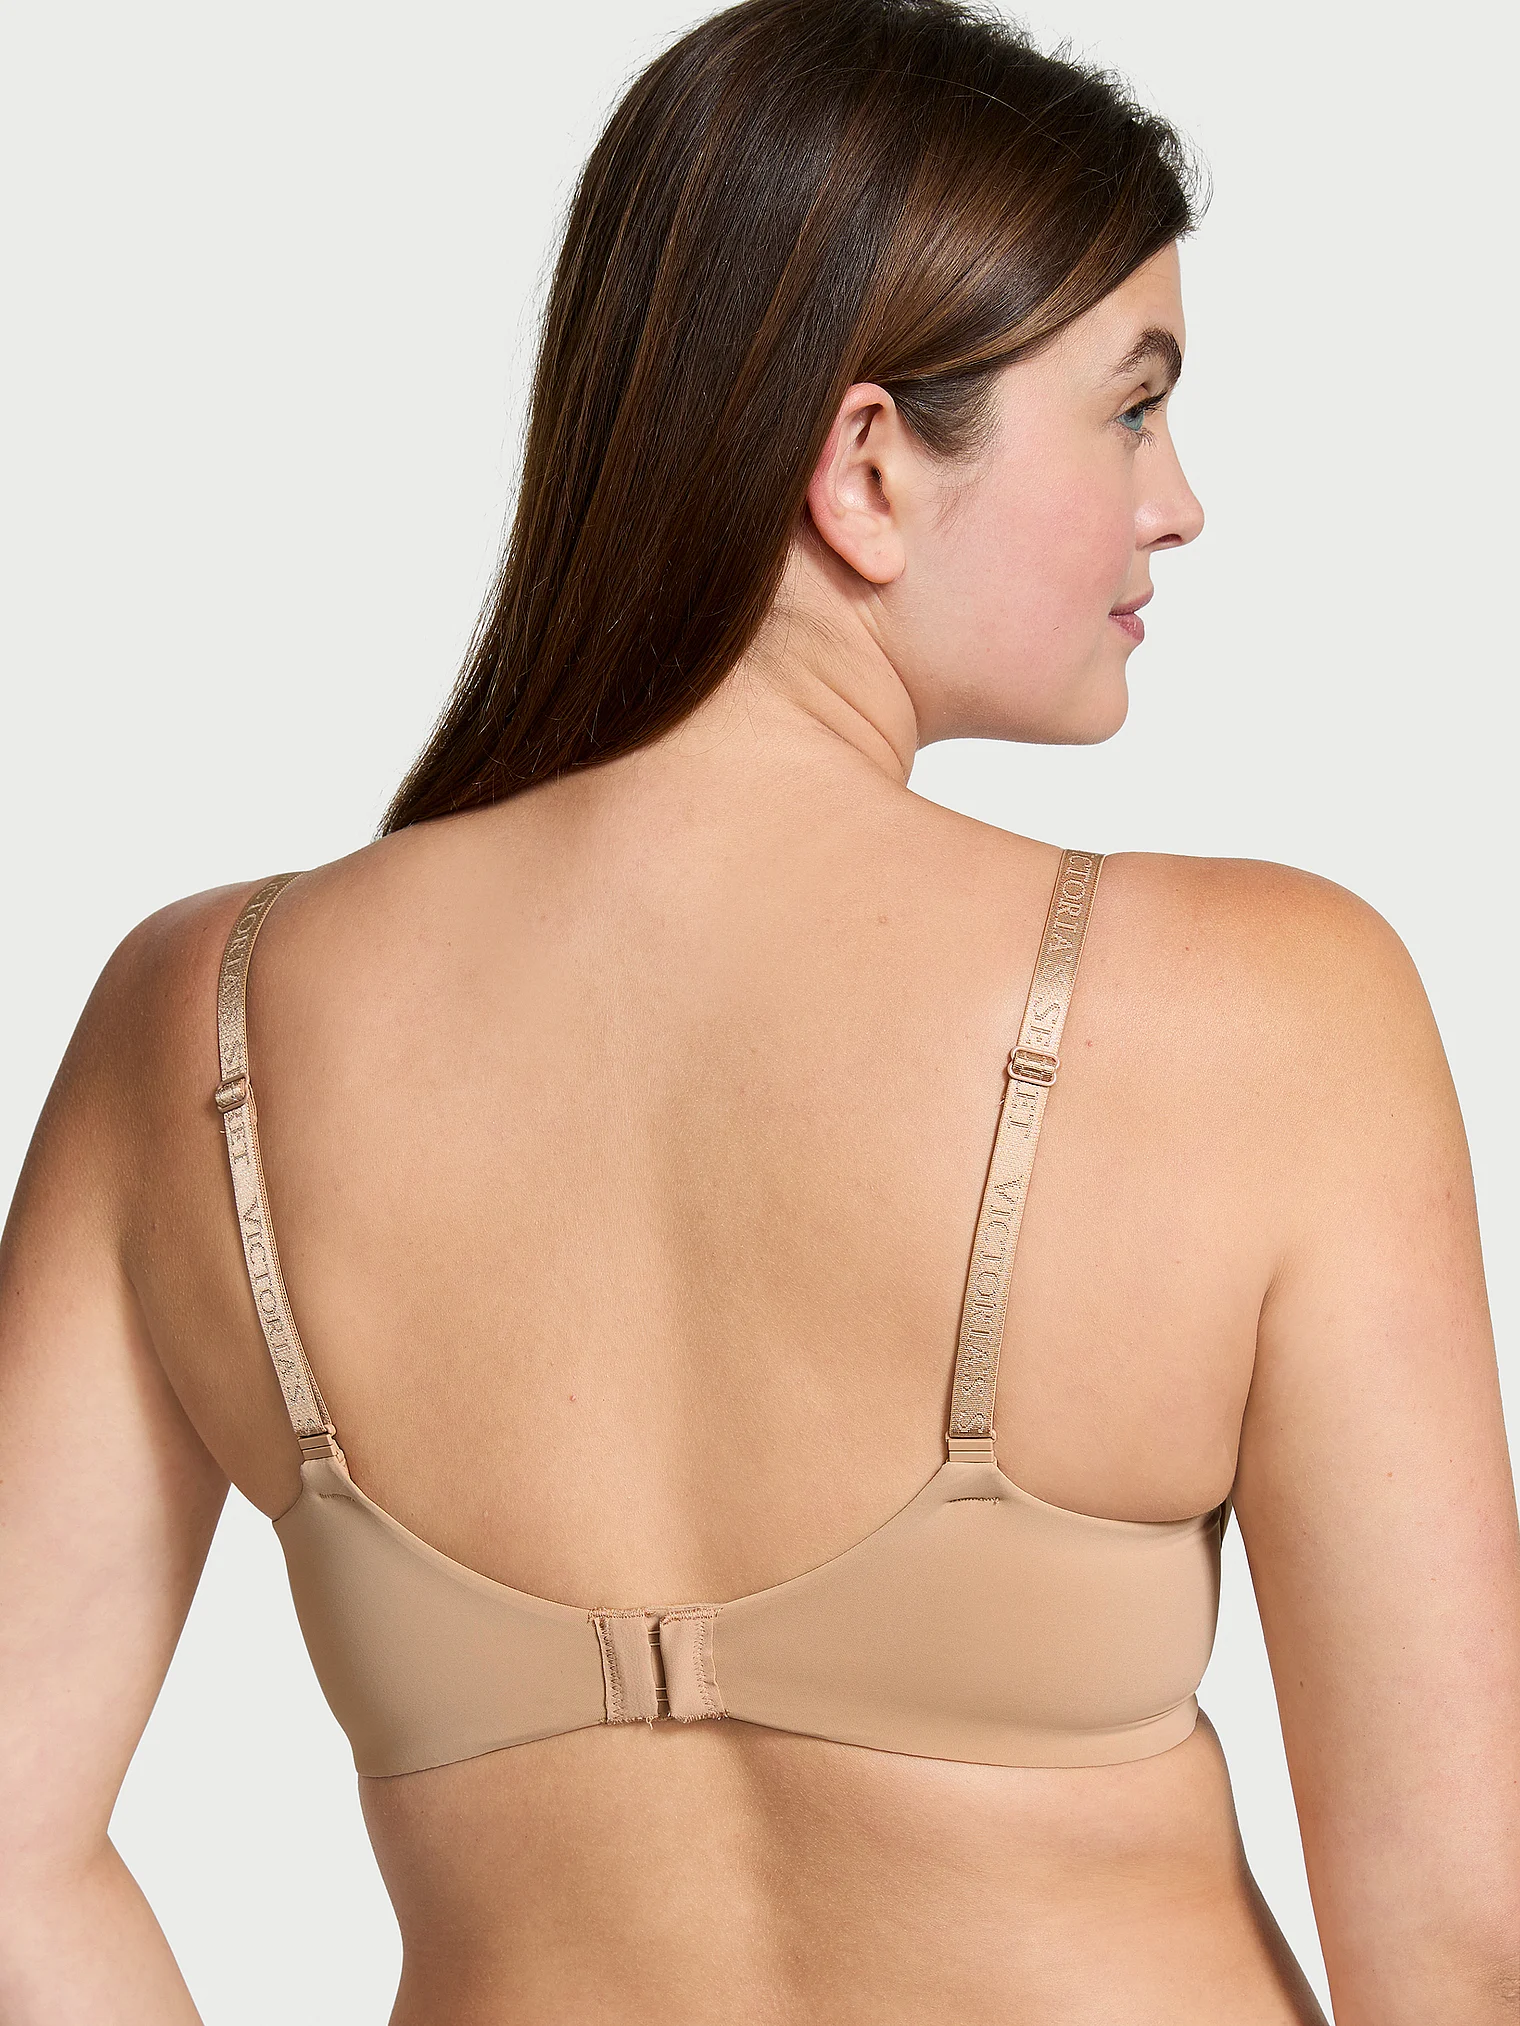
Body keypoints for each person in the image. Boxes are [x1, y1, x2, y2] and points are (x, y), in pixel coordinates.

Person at [2, 0, 1516, 2019]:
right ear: (866, 465)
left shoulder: (202, 1026)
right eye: (1133, 408)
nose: (1179, 502)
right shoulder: (1267, 1006)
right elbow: (1458, 1939)